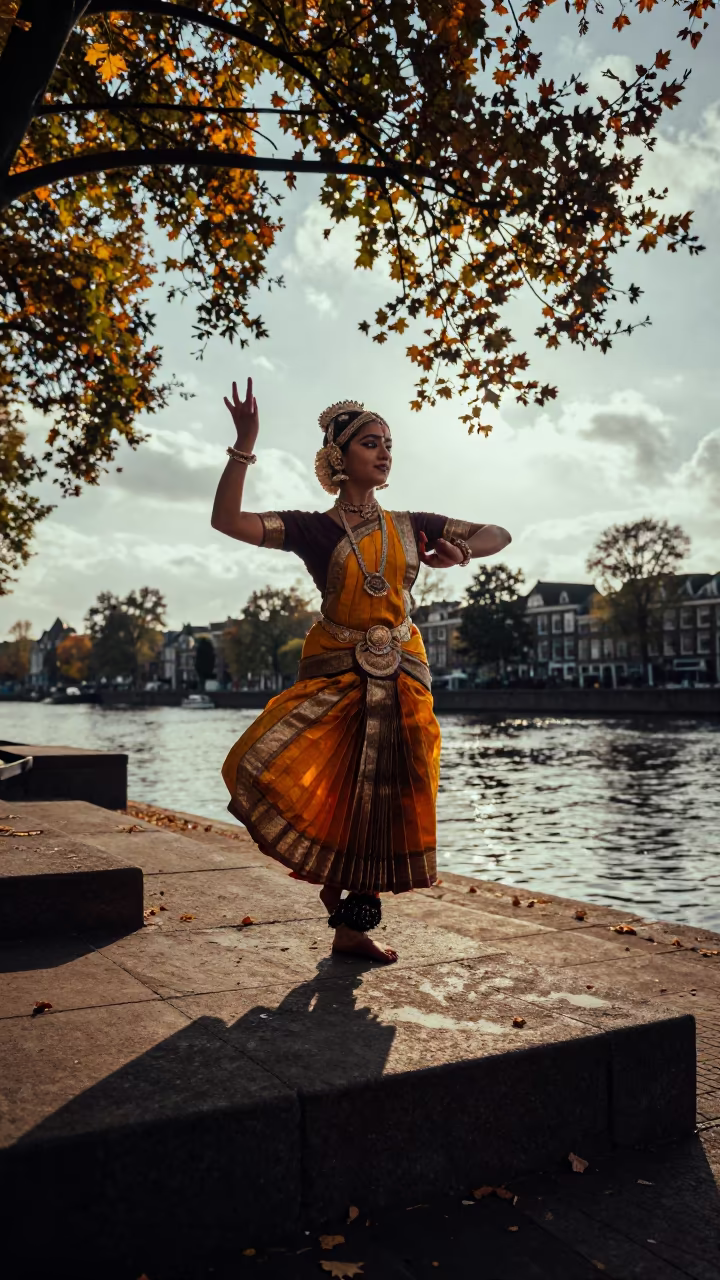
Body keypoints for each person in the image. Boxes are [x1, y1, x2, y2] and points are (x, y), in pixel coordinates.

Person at [212, 378, 511, 963]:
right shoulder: (314, 530)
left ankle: (353, 926)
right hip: (338, 677)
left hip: (402, 676)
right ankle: (335, 888)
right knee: (323, 783)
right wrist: (244, 444)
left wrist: (462, 551)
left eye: (389, 443)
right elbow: (227, 520)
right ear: (338, 458)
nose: (384, 452)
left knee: (392, 795)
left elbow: (498, 532)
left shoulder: (409, 523)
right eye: (371, 443)